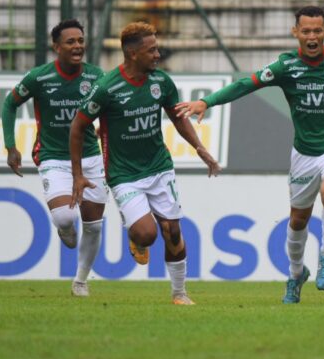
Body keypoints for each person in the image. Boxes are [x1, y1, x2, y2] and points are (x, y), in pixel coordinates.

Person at [176, 5, 324, 304]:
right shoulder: (285, 66)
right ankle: (296, 273)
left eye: (317, 30)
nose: (312, 36)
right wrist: (206, 102)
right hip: (305, 153)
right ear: (295, 32)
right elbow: (245, 85)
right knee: (298, 220)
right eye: (306, 31)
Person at [69, 22, 220, 306]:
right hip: (123, 173)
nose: (158, 55)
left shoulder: (161, 82)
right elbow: (77, 126)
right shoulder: (107, 88)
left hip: (159, 167)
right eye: (151, 50)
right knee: (147, 234)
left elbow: (177, 117)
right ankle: (136, 236)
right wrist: (77, 174)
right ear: (133, 53)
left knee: (172, 230)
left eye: (157, 49)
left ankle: (179, 293)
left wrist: (200, 148)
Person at [2, 18, 107, 297]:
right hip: (53, 157)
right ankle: (65, 229)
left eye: (81, 41)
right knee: (64, 217)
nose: (78, 46)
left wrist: (105, 133)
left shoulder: (96, 77)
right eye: (70, 42)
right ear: (56, 47)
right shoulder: (39, 77)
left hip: (90, 158)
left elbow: (111, 111)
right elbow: (10, 104)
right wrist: (10, 146)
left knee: (94, 226)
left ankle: (80, 281)